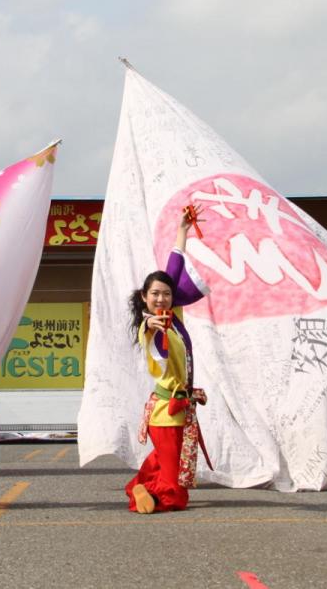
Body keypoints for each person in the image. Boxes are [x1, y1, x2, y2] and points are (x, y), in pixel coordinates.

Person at [125, 206, 210, 514]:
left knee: (163, 461)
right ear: (144, 297)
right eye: (155, 294)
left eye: (166, 294)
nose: (161, 298)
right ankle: (147, 495)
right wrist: (150, 323)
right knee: (176, 492)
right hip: (165, 412)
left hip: (179, 409)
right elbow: (149, 331)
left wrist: (182, 231)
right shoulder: (150, 328)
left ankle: (138, 486)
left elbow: (172, 272)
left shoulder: (174, 319)